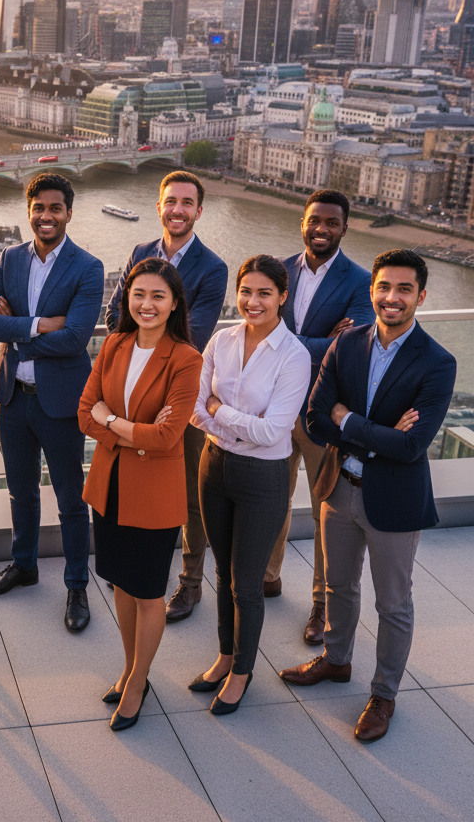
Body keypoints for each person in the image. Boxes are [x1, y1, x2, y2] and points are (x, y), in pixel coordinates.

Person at [280, 250, 456, 743]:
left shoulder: (439, 363)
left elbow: (412, 446)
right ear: (372, 290)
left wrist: (349, 420)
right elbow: (315, 417)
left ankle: (384, 693)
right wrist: (370, 431)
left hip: (394, 503)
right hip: (339, 487)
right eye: (384, 287)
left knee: (393, 604)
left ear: (421, 296)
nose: (391, 298)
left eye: (404, 289)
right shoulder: (345, 345)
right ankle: (336, 661)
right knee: (338, 587)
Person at [0, 174, 104, 632]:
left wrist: (19, 331)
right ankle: (23, 566)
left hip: (62, 402)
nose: (46, 216)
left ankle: (75, 586)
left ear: (69, 213)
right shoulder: (10, 258)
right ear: (28, 211)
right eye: (38, 208)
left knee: (71, 499)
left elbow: (75, 339)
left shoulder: (88, 267)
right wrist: (37, 325)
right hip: (12, 398)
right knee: (21, 492)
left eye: (55, 208)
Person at [78, 258, 203, 730]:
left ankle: (137, 681)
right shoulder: (113, 344)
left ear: (174, 304)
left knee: (148, 591)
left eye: (157, 296)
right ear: (127, 299)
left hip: (153, 494)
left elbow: (168, 437)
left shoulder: (187, 359)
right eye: (138, 294)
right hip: (109, 487)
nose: (146, 304)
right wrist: (128, 429)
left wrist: (111, 421)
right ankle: (131, 668)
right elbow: (83, 412)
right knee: (121, 585)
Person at [105, 170, 228, 624]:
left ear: (199, 211)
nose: (177, 210)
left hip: (181, 398)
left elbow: (195, 335)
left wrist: (144, 335)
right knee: (134, 478)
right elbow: (117, 313)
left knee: (189, 494)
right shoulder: (140, 252)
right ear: (159, 207)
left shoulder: (213, 268)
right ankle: (135, 564)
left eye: (186, 203)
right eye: (170, 201)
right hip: (130, 392)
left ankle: (190, 582)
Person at [190, 255, 310, 715]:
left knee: (247, 583)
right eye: (246, 292)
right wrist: (230, 420)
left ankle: (243, 671)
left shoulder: (294, 355)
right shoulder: (221, 340)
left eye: (264, 293)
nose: (252, 301)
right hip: (215, 465)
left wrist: (221, 413)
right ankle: (224, 657)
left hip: (263, 478)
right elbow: (194, 409)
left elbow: (273, 432)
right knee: (221, 573)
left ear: (282, 296)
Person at [264, 190, 374, 646]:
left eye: (332, 222)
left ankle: (321, 603)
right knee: (270, 498)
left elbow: (350, 348)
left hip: (322, 414)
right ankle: (267, 576)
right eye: (315, 220)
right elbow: (257, 327)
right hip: (273, 408)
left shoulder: (361, 280)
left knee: (326, 510)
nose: (321, 229)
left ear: (344, 228)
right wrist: (316, 342)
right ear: (302, 222)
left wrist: (286, 339)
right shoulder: (278, 269)